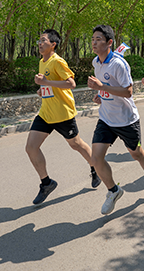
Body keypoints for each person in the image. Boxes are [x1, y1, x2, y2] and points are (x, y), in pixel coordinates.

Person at [88, 25, 144, 215]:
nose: (94, 42)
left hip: (126, 120)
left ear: (109, 43)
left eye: (99, 39)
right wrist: (100, 95)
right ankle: (113, 191)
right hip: (106, 118)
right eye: (93, 39)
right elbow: (108, 87)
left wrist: (102, 86)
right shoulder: (96, 62)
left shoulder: (119, 64)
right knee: (95, 158)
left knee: (137, 154)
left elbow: (128, 91)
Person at [25, 29, 100, 205]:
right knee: (31, 148)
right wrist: (42, 89)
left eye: (43, 40)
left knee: (76, 145)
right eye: (39, 40)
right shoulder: (42, 61)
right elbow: (50, 85)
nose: (39, 43)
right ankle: (46, 183)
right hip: (46, 113)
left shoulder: (58, 61)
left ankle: (95, 167)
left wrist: (45, 83)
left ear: (53, 44)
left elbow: (71, 83)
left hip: (63, 114)